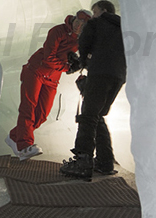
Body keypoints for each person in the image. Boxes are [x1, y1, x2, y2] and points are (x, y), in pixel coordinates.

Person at [5, 9, 93, 160]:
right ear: (73, 19)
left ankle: (14, 136)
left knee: (42, 115)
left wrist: (81, 62)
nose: (78, 26)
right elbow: (48, 57)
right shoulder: (58, 31)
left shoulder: (81, 39)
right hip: (36, 71)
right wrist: (67, 67)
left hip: (52, 78)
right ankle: (24, 146)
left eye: (83, 25)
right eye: (78, 22)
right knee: (29, 107)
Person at [60, 0, 127, 179]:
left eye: (94, 11)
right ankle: (105, 162)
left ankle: (82, 162)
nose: (93, 14)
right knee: (98, 116)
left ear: (103, 10)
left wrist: (80, 62)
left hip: (99, 75)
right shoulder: (124, 27)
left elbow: (85, 44)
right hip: (119, 76)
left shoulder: (96, 24)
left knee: (88, 116)